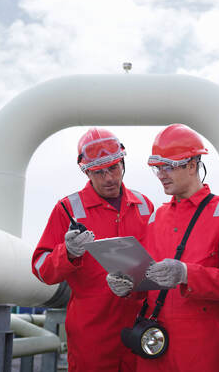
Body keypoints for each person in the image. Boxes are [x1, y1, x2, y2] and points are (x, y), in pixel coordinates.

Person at [106, 123, 219, 372]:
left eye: (168, 167)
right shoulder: (156, 217)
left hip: (201, 347)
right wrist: (128, 286)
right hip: (155, 343)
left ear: (192, 165)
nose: (161, 174)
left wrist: (186, 273)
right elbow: (148, 281)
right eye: (157, 168)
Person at [32, 128, 154, 372]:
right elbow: (41, 269)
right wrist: (67, 253)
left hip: (140, 326)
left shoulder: (143, 205)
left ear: (123, 162)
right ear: (86, 171)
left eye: (114, 168)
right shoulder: (67, 209)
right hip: (92, 333)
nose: (108, 178)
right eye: (99, 172)